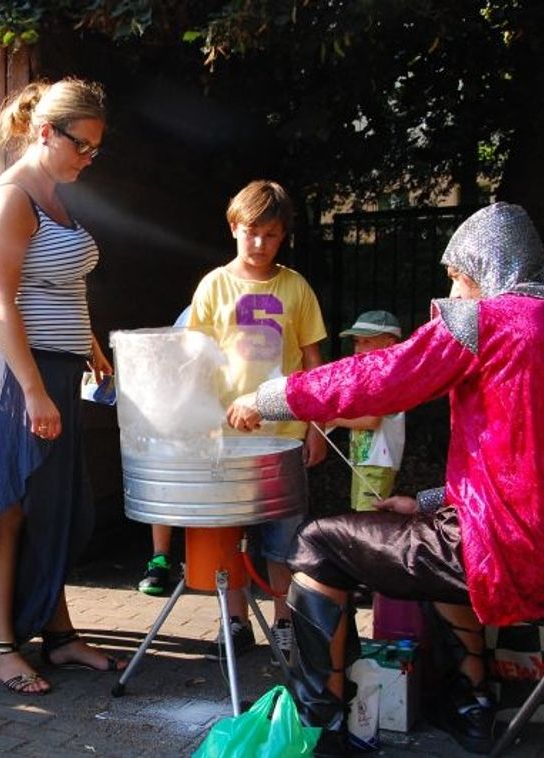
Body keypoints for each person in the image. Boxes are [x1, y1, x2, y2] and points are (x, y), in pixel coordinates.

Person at [226, 202, 544, 755]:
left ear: (484, 268)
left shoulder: (490, 321)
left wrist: (270, 397)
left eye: (456, 278)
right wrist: (426, 499)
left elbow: (384, 375)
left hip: (508, 555)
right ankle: (470, 707)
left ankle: (319, 724)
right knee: (433, 534)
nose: (452, 292)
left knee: (318, 542)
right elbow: (542, 462)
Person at [0, 77, 122, 696]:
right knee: (9, 507)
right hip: (16, 373)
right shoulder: (10, 198)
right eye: (81, 146)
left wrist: (89, 345)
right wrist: (33, 390)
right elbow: (2, 304)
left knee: (54, 507)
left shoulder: (55, 197)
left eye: (94, 149)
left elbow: (58, 287)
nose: (88, 158)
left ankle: (58, 637)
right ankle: (2, 645)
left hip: (58, 369)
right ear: (45, 133)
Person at [183, 179, 326, 663]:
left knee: (284, 542)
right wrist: (200, 422)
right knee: (229, 536)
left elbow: (312, 362)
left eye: (270, 234)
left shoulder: (296, 287)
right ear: (233, 229)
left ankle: (285, 623)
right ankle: (236, 623)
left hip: (283, 436)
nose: (260, 244)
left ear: (283, 235)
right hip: (226, 437)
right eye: (251, 232)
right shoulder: (213, 286)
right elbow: (194, 360)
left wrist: (316, 427)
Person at [137, 305, 192, 596]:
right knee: (163, 473)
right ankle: (160, 558)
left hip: (229, 414)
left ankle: (206, 562)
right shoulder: (196, 309)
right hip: (182, 409)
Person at [330, 310, 404, 511]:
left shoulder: (386, 378)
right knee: (361, 517)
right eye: (356, 342)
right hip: (366, 462)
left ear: (389, 343)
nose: (358, 350)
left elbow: (371, 421)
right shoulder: (375, 376)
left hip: (378, 463)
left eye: (366, 342)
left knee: (368, 522)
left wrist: (334, 419)